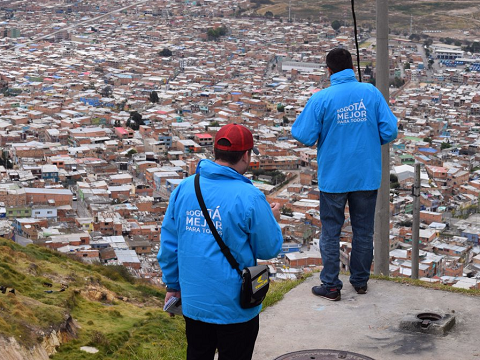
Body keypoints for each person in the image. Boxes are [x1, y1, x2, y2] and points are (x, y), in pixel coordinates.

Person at [158, 123, 283, 360]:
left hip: (194, 302)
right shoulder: (250, 197)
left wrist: (172, 286)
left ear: (215, 151)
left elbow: (169, 244)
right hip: (234, 306)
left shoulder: (185, 188)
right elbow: (269, 248)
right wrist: (272, 219)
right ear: (246, 155)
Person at [291, 48, 398, 301]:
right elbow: (390, 131)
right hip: (365, 176)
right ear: (352, 67)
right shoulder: (370, 93)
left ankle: (330, 285)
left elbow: (303, 135)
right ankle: (360, 282)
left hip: (334, 177)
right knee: (363, 231)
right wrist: (369, 139)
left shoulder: (321, 98)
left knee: (331, 231)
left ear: (329, 70)